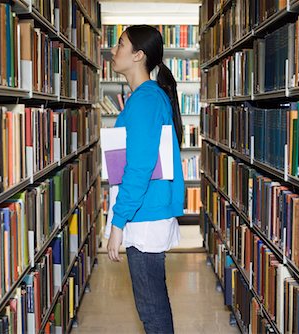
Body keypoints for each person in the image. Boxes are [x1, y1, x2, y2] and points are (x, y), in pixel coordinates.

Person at [106, 25, 185, 334]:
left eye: (120, 45)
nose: (113, 51)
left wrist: (118, 222)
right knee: (153, 306)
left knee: (151, 311)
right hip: (147, 212)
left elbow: (138, 167)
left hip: (143, 216)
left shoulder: (144, 100)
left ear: (138, 55)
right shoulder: (148, 97)